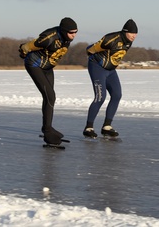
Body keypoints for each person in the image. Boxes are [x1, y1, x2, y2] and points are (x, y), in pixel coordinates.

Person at [18, 17, 78, 145]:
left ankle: (48, 128)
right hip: (34, 65)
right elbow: (28, 46)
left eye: (75, 32)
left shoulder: (66, 38)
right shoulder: (49, 37)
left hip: (48, 67)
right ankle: (47, 130)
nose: (74, 35)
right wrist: (23, 51)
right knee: (50, 95)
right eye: (71, 32)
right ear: (63, 31)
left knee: (50, 98)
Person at [83, 19, 138, 138]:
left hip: (111, 70)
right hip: (97, 67)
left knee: (117, 95)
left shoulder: (129, 41)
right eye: (132, 33)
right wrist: (94, 56)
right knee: (100, 97)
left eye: (136, 33)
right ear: (125, 31)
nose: (134, 36)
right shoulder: (111, 38)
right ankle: (89, 127)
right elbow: (90, 49)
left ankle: (106, 126)